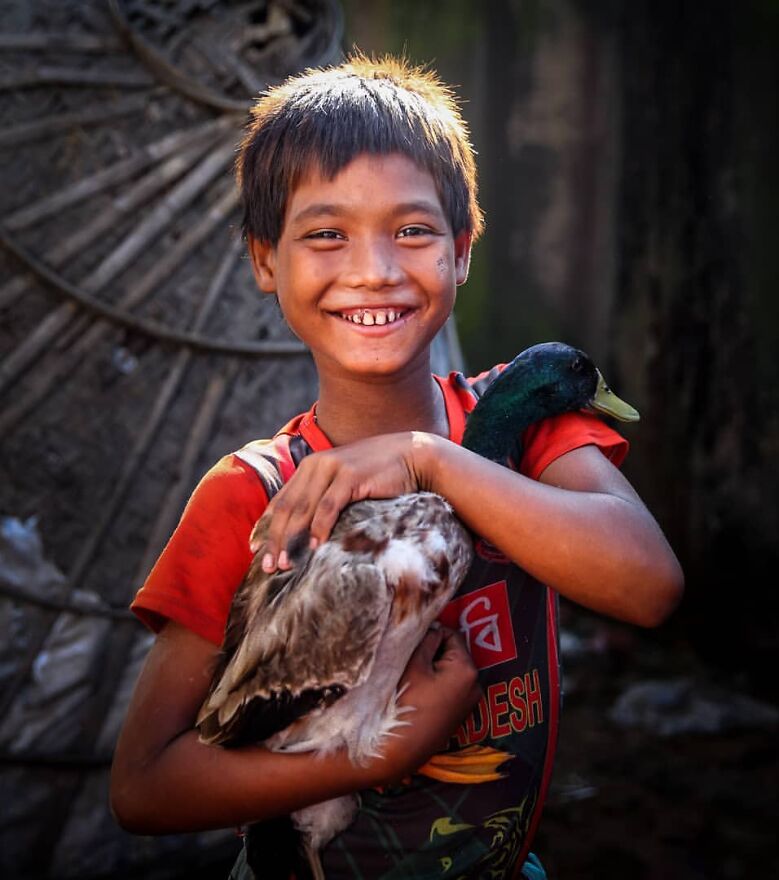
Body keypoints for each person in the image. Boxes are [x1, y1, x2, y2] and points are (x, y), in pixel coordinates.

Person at [110, 54, 683, 879]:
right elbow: (142, 788)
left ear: (462, 250)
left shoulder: (520, 424)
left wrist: (431, 461)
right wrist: (374, 758)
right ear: (266, 260)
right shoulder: (257, 495)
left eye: (412, 231)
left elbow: (649, 584)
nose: (375, 270)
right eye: (326, 234)